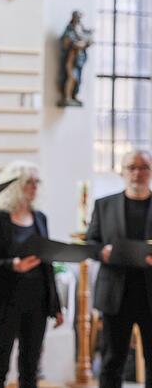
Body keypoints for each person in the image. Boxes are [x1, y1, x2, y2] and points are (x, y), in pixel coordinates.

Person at [0, 161, 63, 388]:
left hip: (36, 302)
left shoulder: (40, 218)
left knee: (31, 366)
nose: (34, 187)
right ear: (14, 185)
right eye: (29, 182)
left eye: (37, 182)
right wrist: (12, 265)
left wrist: (55, 305)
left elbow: (47, 264)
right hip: (3, 302)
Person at [87, 149, 152, 388]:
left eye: (144, 167)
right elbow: (91, 242)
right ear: (122, 172)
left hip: (149, 292)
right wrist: (102, 252)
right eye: (131, 167)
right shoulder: (104, 205)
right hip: (116, 293)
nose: (137, 173)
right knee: (112, 361)